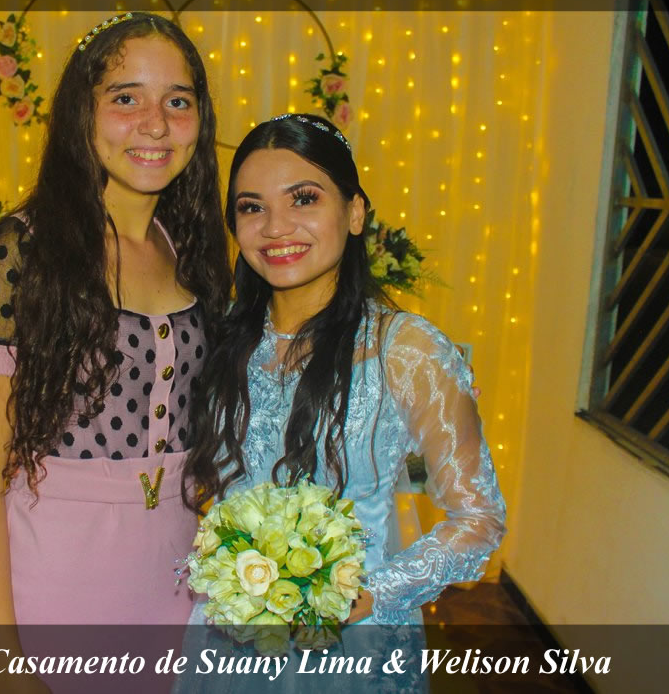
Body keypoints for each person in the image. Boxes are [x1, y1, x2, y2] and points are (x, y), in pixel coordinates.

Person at [0, 12, 231, 691]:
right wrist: (3, 663)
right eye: (126, 97)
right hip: (57, 588)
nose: (155, 124)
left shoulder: (191, 250)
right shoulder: (20, 254)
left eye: (178, 101)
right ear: (82, 111)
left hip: (179, 588)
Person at [179, 114, 506, 691]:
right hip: (229, 639)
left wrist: (365, 594)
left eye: (303, 198)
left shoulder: (406, 349)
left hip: (351, 646)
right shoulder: (220, 337)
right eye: (252, 207)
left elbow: (478, 520)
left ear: (355, 212)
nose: (276, 227)